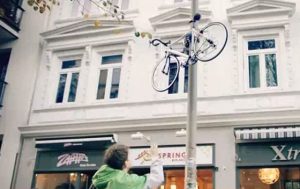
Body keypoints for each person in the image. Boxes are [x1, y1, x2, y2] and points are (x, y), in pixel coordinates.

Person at [92, 144, 164, 189]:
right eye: (129, 157)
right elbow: (157, 179)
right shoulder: (125, 181)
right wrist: (155, 157)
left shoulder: (100, 178)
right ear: (126, 163)